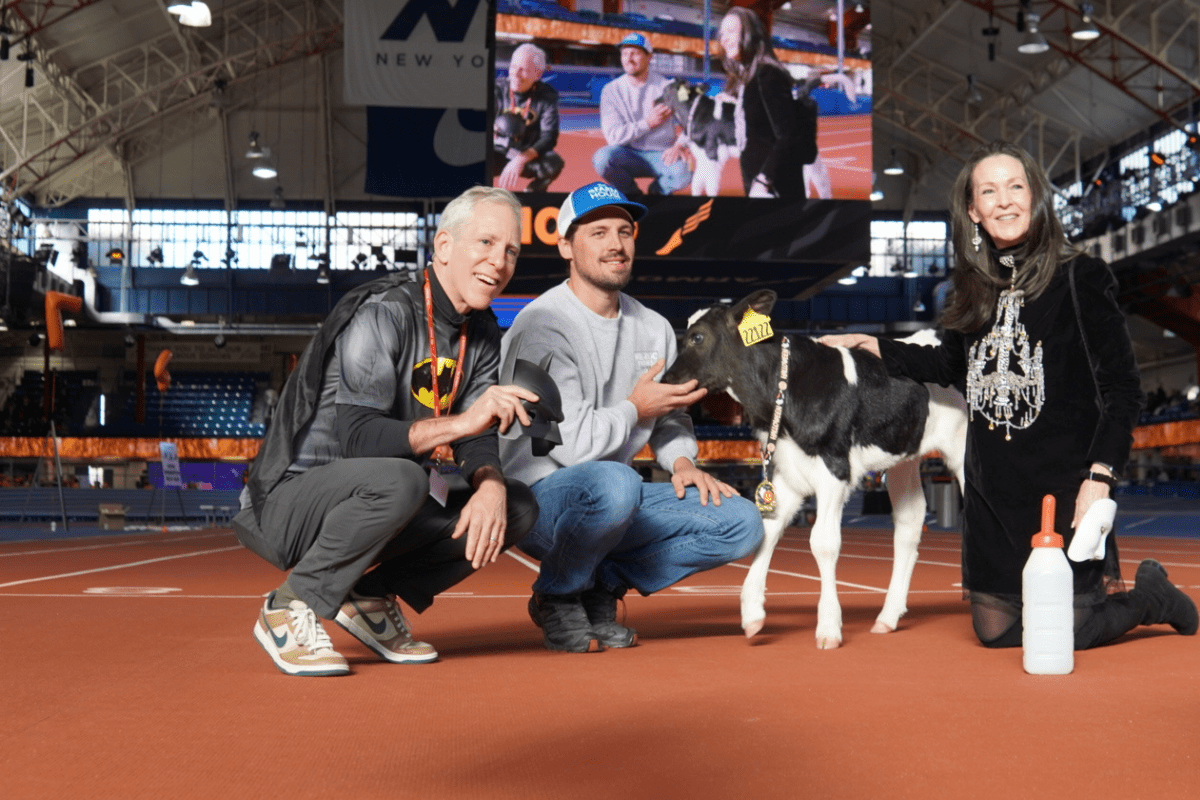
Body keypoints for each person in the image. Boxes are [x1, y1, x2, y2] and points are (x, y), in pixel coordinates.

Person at [821, 141, 1197, 650]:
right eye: (989, 191)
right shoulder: (970, 289)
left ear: (1035, 196)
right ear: (973, 211)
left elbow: (1122, 388)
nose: (1004, 200)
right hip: (992, 491)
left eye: (1015, 186)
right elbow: (949, 367)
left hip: (1062, 487)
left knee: (1069, 631)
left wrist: (1100, 477)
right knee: (996, 635)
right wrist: (876, 347)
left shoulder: (1079, 277)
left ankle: (1152, 596)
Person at [234, 186, 541, 677]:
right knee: (403, 478)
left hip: (387, 496)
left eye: (510, 251)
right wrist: (464, 421)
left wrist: (490, 484)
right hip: (290, 502)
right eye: (485, 243)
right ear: (443, 247)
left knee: (516, 505)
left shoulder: (480, 331)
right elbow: (359, 438)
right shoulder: (385, 312)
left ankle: (370, 597)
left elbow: (477, 435)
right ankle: (289, 605)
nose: (499, 261)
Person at [500, 181, 764, 652]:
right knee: (614, 482)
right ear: (565, 245)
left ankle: (602, 583)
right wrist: (634, 408)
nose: (616, 244)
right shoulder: (542, 325)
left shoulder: (654, 327)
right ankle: (556, 595)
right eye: (598, 232)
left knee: (743, 522)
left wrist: (682, 462)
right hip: (541, 500)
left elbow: (671, 419)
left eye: (624, 231)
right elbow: (577, 446)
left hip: (613, 500)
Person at [718, 7, 814, 198]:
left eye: (731, 31)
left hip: (774, 187)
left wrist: (764, 180)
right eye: (722, 34)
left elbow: (786, 135)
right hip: (757, 182)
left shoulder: (768, 74)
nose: (724, 39)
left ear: (750, 34)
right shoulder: (747, 77)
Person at [592, 33, 692, 196]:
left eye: (635, 53)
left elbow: (692, 121)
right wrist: (647, 123)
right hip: (628, 154)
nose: (628, 58)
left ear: (649, 56)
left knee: (685, 172)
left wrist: (680, 145)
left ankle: (656, 193)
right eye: (625, 53)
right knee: (602, 158)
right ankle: (633, 195)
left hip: (663, 154)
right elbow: (613, 137)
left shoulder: (669, 86)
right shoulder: (610, 90)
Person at [492, 43, 564, 192]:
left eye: (523, 69)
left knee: (553, 163)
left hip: (525, 153)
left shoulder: (547, 97)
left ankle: (533, 194)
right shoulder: (496, 90)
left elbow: (549, 137)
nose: (515, 74)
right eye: (513, 67)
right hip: (496, 149)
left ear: (537, 74)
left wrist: (521, 158)